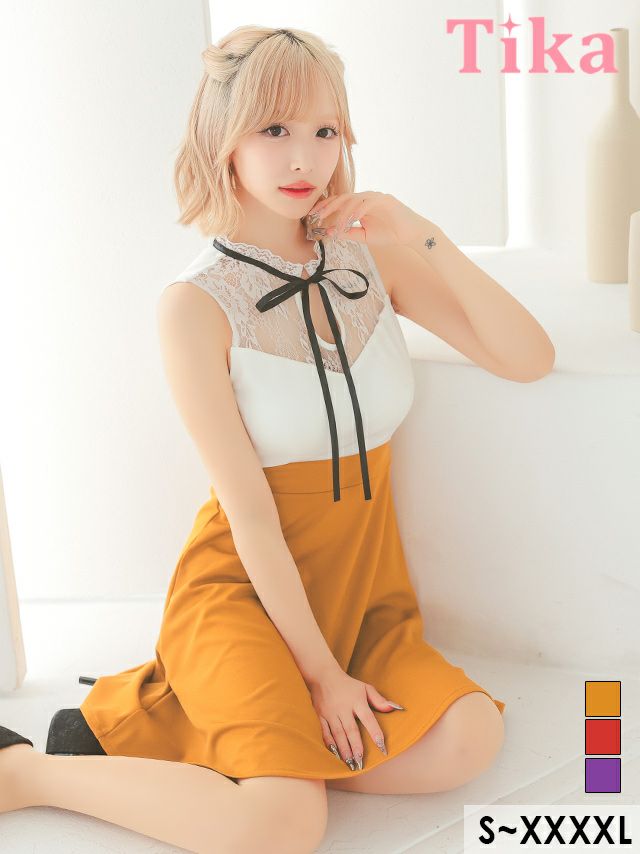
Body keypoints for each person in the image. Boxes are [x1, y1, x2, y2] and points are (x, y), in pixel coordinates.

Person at [0, 24, 520, 854]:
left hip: (362, 594)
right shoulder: (195, 305)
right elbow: (248, 514)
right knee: (283, 827)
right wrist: (322, 677)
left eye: (325, 130)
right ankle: (25, 772)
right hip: (244, 592)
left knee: (469, 738)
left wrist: (422, 233)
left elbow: (527, 356)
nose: (303, 157)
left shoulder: (367, 262)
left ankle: (200, 741)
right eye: (274, 129)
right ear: (224, 140)